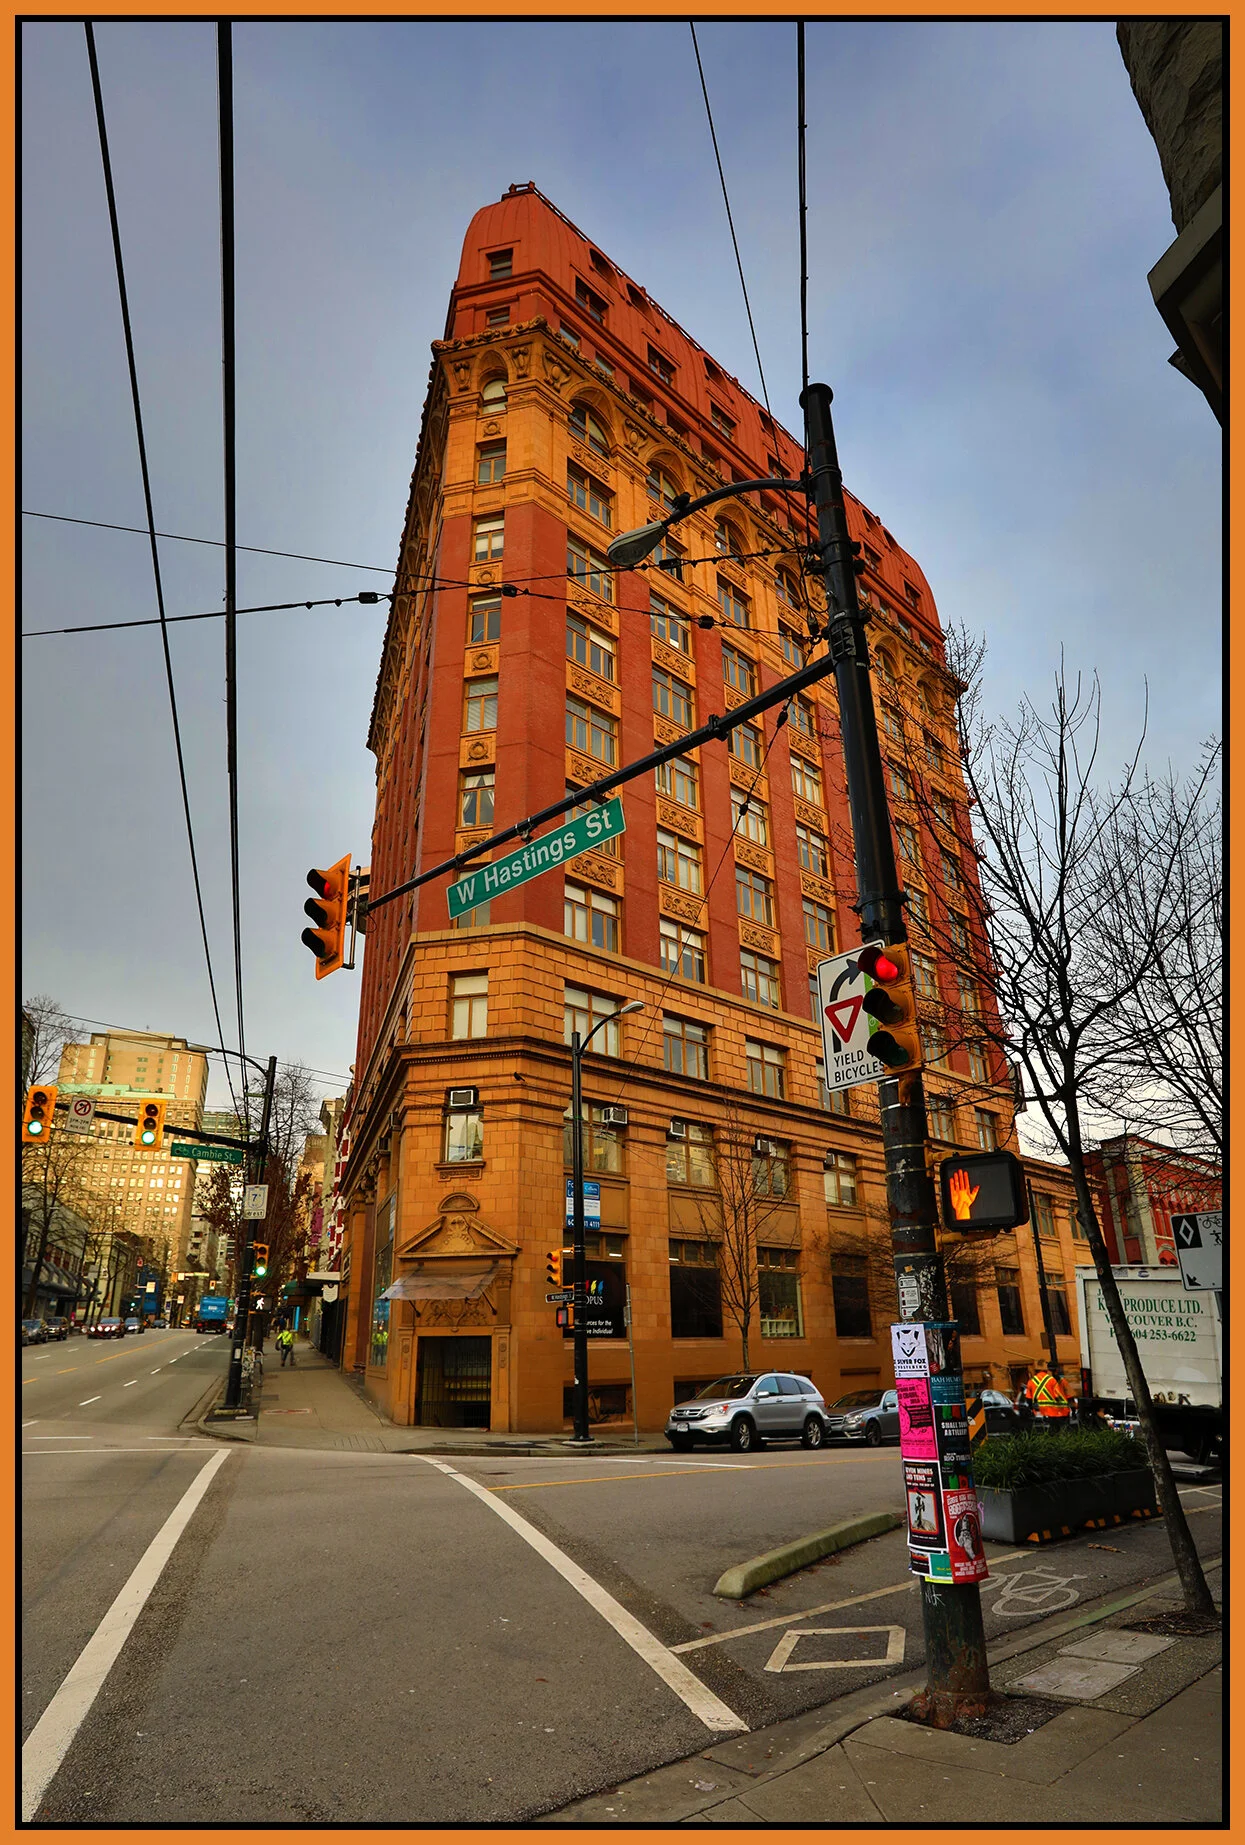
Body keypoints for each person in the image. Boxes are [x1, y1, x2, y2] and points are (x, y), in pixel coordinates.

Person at [1021, 1365, 1071, 1429]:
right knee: (1058, 1430)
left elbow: (1028, 1399)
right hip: (1055, 1412)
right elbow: (1058, 1395)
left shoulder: (1031, 1381)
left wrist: (1032, 1409)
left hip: (1039, 1412)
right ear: (1046, 1371)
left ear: (1036, 1371)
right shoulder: (1053, 1380)